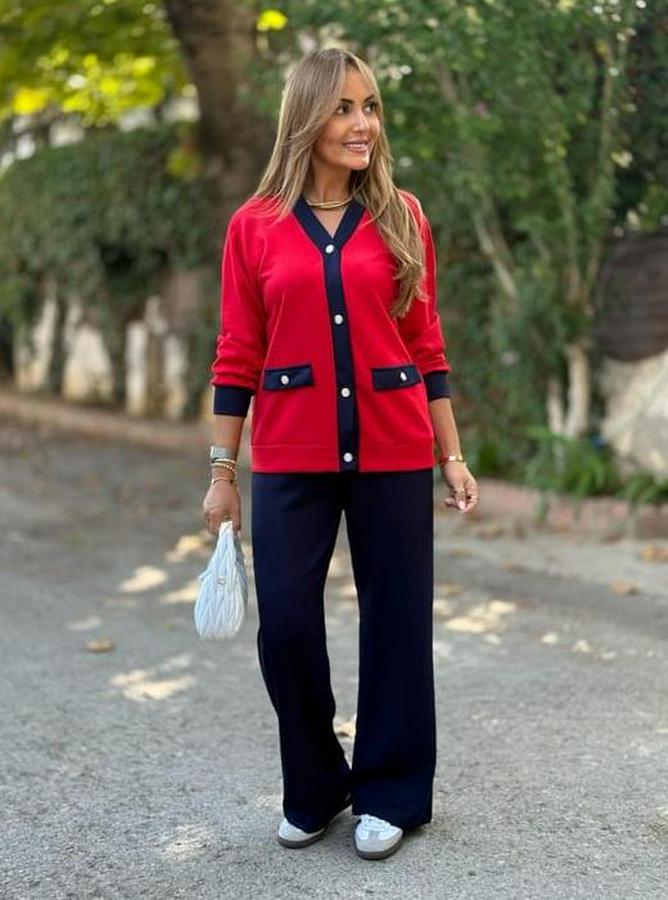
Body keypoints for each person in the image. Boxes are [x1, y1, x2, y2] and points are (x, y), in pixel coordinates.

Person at [202, 47, 479, 861]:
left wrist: (452, 455)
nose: (364, 124)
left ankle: (392, 793)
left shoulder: (402, 215)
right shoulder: (254, 226)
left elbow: (425, 343)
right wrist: (222, 473)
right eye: (345, 108)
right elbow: (236, 353)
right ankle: (320, 784)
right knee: (286, 626)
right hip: (291, 450)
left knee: (397, 622)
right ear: (307, 118)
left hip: (395, 446)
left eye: (371, 107)